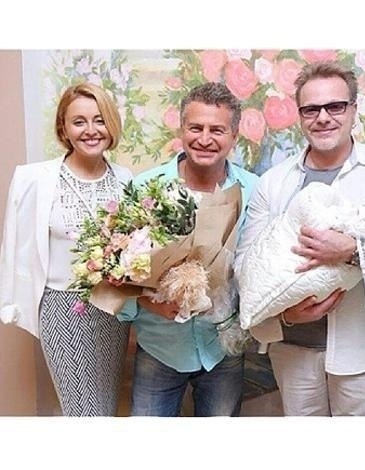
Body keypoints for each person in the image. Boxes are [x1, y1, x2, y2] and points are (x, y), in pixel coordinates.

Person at [234, 61, 365, 416]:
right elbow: (245, 265)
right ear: (299, 115)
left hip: (363, 350)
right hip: (292, 348)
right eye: (311, 109)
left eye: (336, 106)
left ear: (354, 110)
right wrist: (286, 316)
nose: (323, 118)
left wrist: (351, 251)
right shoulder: (274, 181)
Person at [119, 82, 258, 417]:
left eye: (217, 130)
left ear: (234, 136)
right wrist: (148, 302)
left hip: (223, 349)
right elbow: (116, 271)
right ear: (181, 130)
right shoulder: (145, 188)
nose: (204, 139)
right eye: (196, 128)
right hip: (160, 348)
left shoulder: (254, 191)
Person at [0, 82, 132, 416]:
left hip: (112, 312)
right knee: (83, 412)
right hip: (62, 308)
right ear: (64, 128)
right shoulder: (36, 179)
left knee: (105, 408)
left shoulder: (125, 179)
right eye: (79, 121)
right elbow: (14, 246)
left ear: (111, 124)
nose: (91, 130)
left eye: (99, 120)